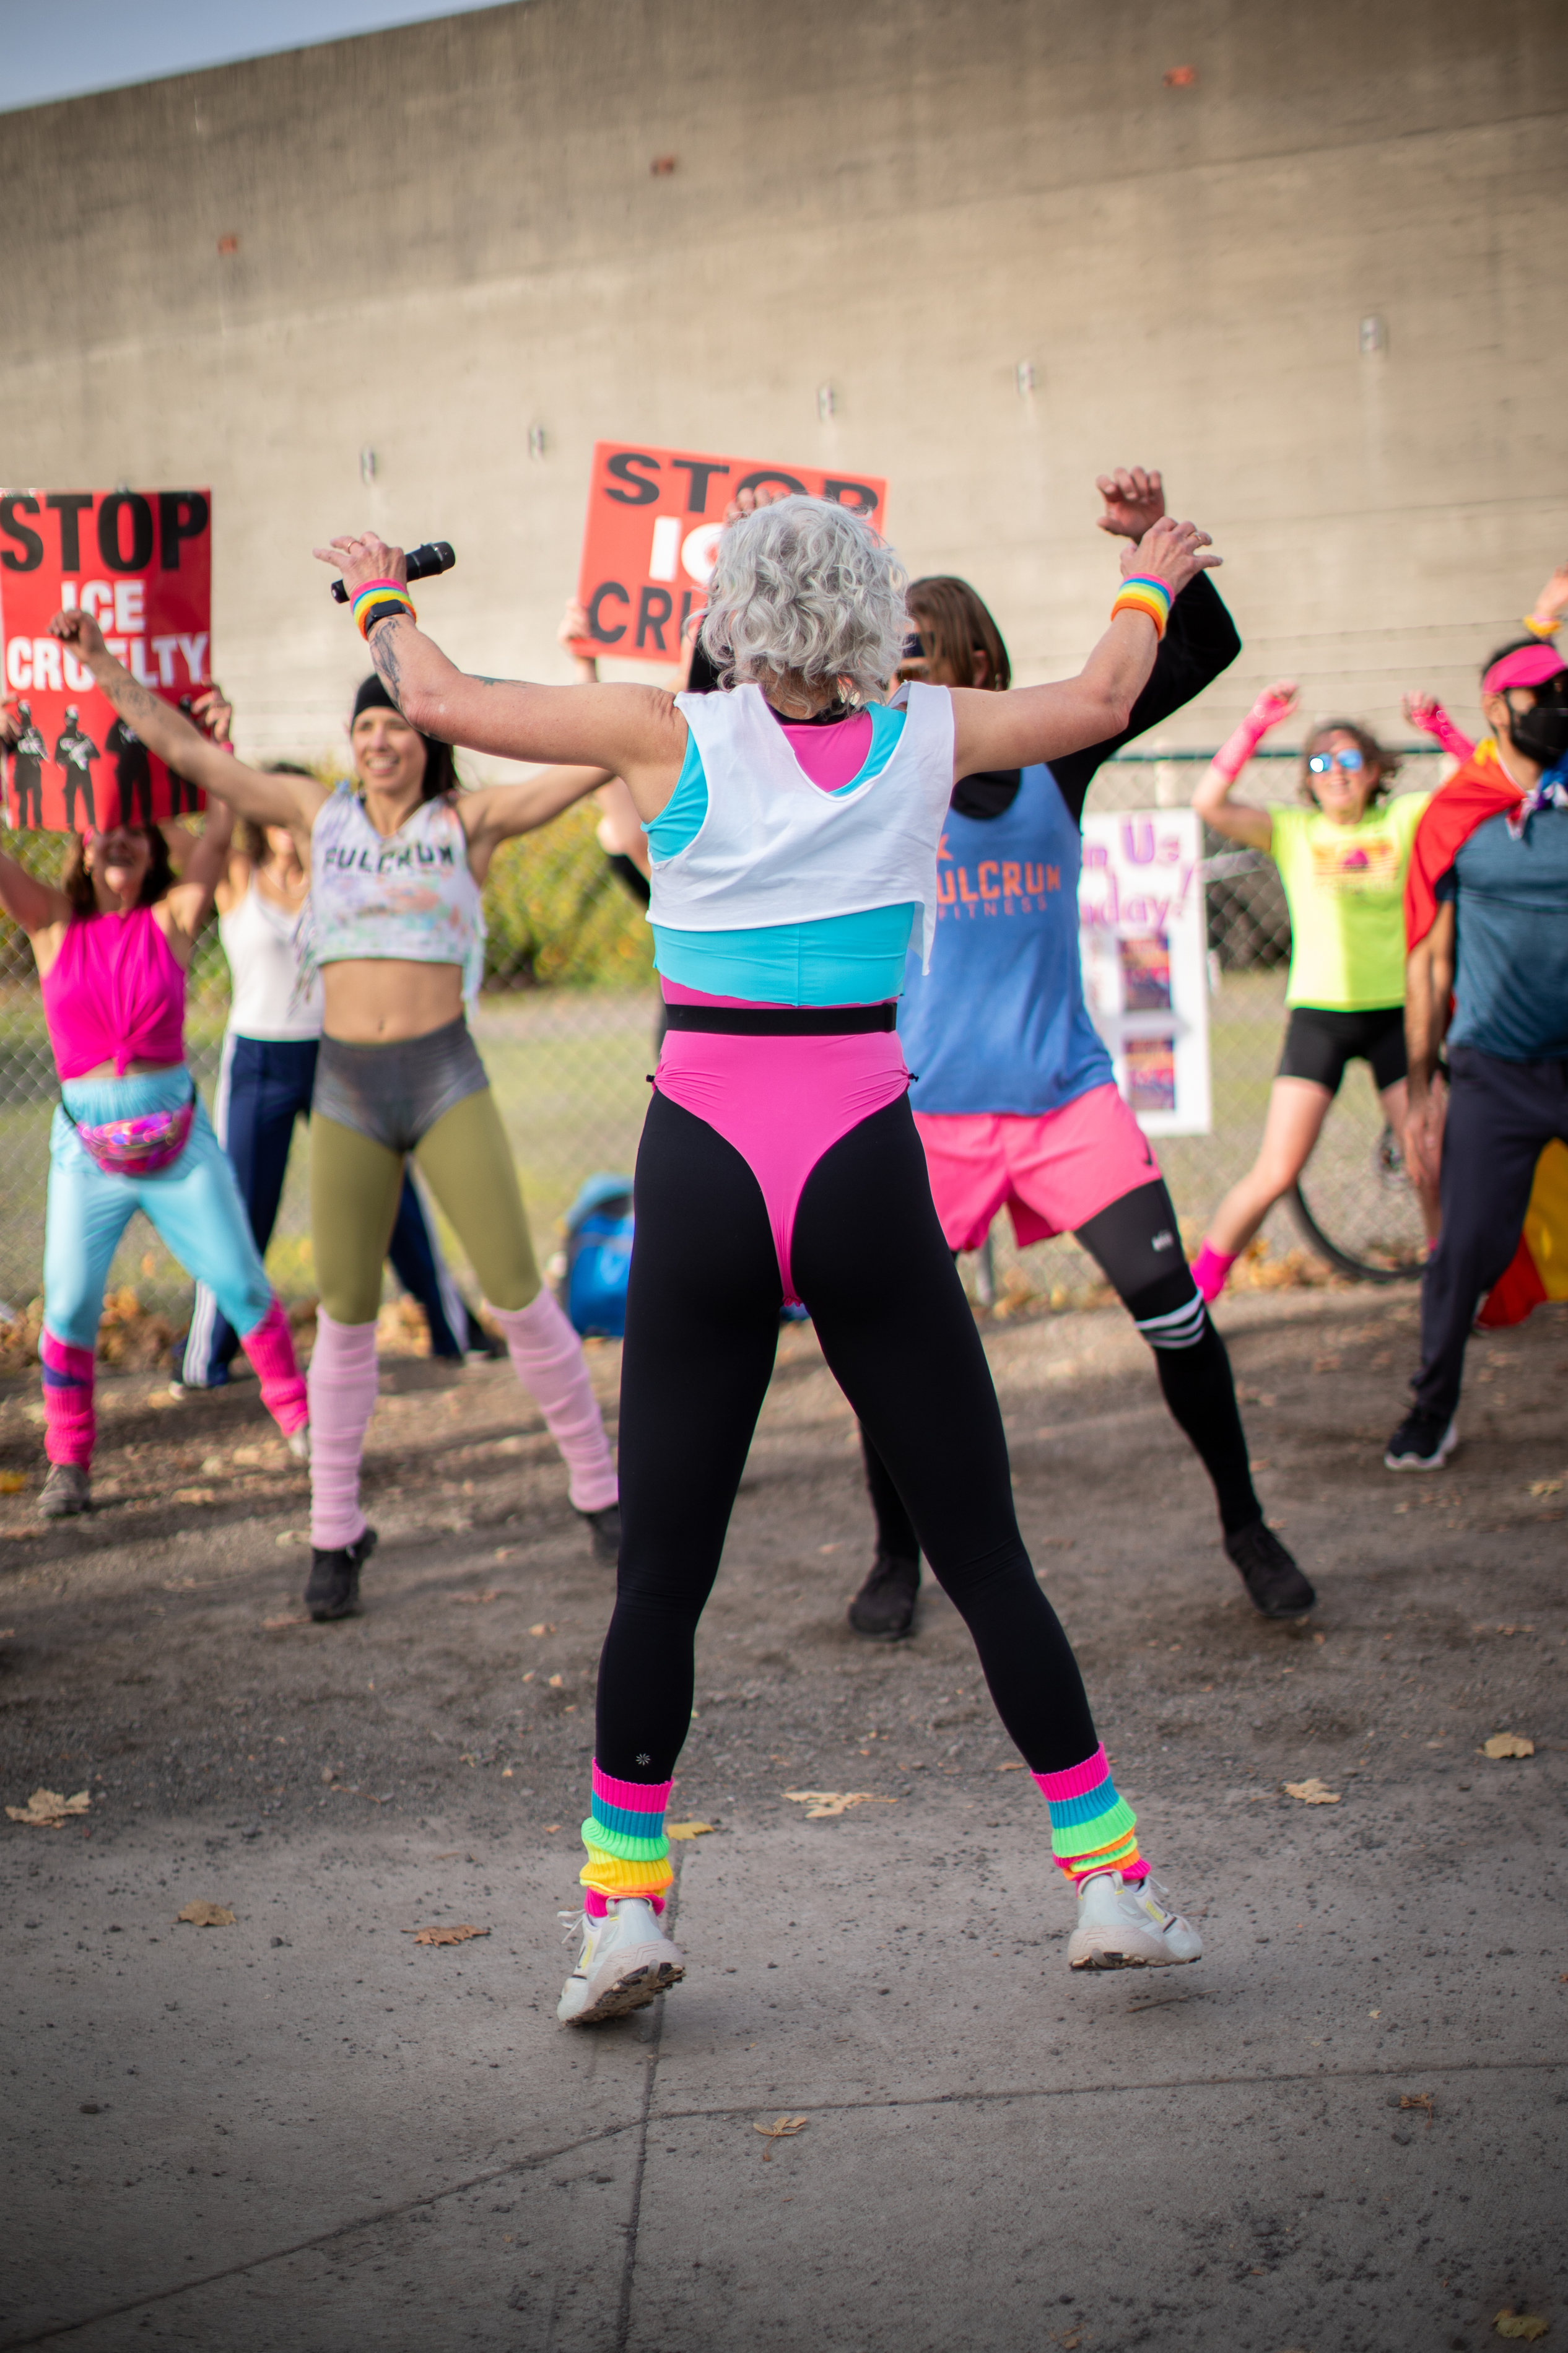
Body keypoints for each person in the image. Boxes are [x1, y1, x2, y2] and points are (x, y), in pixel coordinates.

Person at [313, 497, 1222, 2022]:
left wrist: (376, 599)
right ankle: (1108, 1876)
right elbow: (1100, 698)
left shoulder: (669, 731)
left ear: (731, 613)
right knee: (980, 1545)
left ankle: (618, 1914)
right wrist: (1144, 577)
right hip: (865, 1156)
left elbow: (443, 698)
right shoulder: (924, 728)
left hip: (707, 1167)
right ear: (868, 616)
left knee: (663, 1570)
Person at [50, 607, 622, 1620]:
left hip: (447, 1080)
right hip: (349, 1087)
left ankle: (601, 1493)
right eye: (365, 725)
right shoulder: (320, 817)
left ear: (425, 741)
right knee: (349, 1321)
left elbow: (582, 761)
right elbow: (185, 752)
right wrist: (98, 661)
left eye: (398, 723)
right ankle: (333, 1536)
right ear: (352, 744)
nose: (379, 738)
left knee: (517, 1295)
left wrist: (662, 702)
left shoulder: (465, 826)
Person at [848, 468, 1313, 1640]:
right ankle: (892, 1559)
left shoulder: (1056, 762)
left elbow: (1203, 650)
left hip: (1065, 1100)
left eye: (916, 648)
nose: (893, 668)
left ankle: (1245, 1525)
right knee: (886, 1351)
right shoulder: (876, 773)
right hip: (928, 1115)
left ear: (977, 669)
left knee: (1175, 1316)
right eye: (883, 652)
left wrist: (1147, 554)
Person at [0, 802, 310, 1520]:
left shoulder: (172, 918)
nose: (119, 841)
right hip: (88, 1155)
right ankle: (68, 1462)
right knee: (70, 1304)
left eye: (135, 831)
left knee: (241, 1280)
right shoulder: (51, 922)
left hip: (178, 1145)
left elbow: (221, 834)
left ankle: (302, 1426)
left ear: (152, 849)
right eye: (105, 830)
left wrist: (211, 752)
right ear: (81, 845)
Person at [169, 741, 497, 1391]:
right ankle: (207, 1352)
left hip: (340, 1053)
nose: (287, 825)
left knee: (395, 1198)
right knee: (242, 1209)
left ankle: (454, 1329)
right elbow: (173, 829)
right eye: (274, 811)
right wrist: (218, 748)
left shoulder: (343, 872)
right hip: (260, 1057)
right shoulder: (235, 876)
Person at [1384, 638, 1568, 1469]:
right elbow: (1427, 959)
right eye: (1543, 695)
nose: (1559, 705)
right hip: (1495, 1066)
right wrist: (1424, 1089)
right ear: (1497, 710)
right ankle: (1433, 1409)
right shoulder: (1459, 815)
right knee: (1465, 1253)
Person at [1189, 689, 1437, 1303]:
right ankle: (1197, 1289)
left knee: (1428, 1160)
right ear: (1307, 780)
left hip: (1396, 1020)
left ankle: (1448, 1284)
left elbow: (1469, 790)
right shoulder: (1294, 831)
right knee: (1277, 1170)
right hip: (1320, 1019)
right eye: (1321, 765)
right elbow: (1208, 802)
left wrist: (1440, 727)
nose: (1336, 775)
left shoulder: (1399, 821)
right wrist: (1254, 726)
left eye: (1349, 762)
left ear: (1375, 771)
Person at [53, 708, 100, 831]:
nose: (71, 722)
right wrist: (70, 757)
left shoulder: (84, 738)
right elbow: (58, 759)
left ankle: (93, 828)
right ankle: (71, 827)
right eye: (69, 719)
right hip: (71, 774)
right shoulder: (62, 738)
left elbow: (97, 754)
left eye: (73, 719)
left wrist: (87, 750)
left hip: (85, 773)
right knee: (70, 801)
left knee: (89, 800)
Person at [9, 703, 46, 827]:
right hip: (21, 771)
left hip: (35, 770)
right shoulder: (13, 729)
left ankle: (38, 823)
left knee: (37, 800)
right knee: (22, 802)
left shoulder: (35, 732)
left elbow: (45, 755)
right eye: (23, 714)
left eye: (27, 714)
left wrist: (37, 750)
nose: (26, 717)